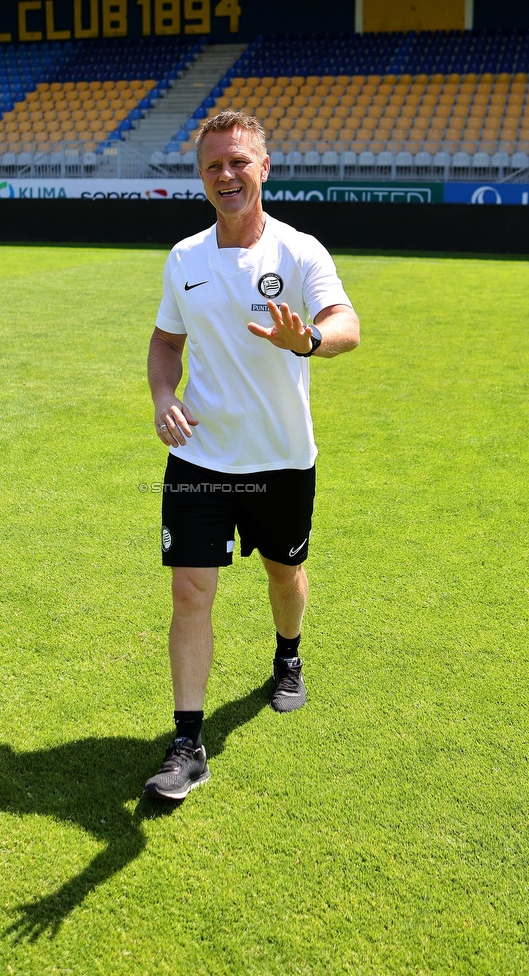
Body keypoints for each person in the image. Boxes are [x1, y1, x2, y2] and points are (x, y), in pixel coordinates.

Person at [143, 111, 360, 801]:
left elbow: (345, 325)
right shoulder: (185, 258)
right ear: (201, 177)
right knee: (188, 592)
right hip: (200, 459)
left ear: (264, 167)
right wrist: (160, 396)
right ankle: (187, 744)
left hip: (280, 462)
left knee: (283, 573)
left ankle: (288, 657)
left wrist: (309, 343)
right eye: (213, 166)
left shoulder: (299, 252)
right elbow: (165, 344)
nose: (226, 175)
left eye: (239, 162)